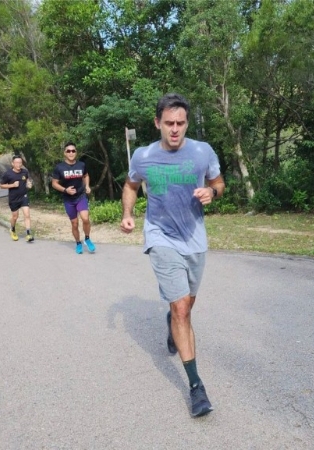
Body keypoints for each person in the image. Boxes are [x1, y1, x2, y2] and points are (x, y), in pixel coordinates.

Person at [120, 93, 225, 418]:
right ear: (157, 123)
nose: (175, 129)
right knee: (181, 308)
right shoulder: (143, 155)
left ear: (187, 123)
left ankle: (172, 321)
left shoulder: (202, 152)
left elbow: (218, 182)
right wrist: (128, 214)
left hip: (194, 238)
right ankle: (196, 387)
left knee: (187, 305)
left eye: (180, 123)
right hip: (160, 235)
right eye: (169, 123)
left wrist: (212, 192)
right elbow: (131, 185)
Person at [51, 141, 96, 254]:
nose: (71, 153)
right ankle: (78, 243)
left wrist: (87, 186)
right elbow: (54, 183)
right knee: (74, 223)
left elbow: (85, 175)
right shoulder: (59, 167)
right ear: (65, 153)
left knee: (85, 218)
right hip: (68, 199)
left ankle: (87, 238)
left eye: (73, 151)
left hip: (81, 196)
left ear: (76, 152)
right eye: (68, 151)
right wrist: (65, 190)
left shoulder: (81, 165)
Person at [0, 155, 34, 242]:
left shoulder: (24, 172)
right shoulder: (8, 174)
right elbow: (2, 186)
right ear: (13, 163)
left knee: (27, 214)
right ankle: (13, 229)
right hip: (13, 198)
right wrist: (12, 185)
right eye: (17, 163)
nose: (19, 164)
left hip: (24, 197)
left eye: (20, 163)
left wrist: (29, 184)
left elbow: (27, 181)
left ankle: (28, 234)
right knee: (15, 217)